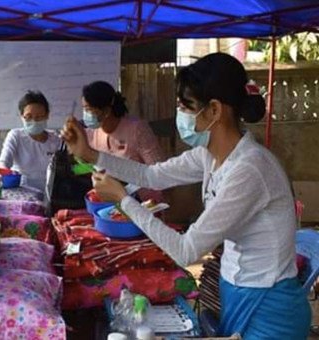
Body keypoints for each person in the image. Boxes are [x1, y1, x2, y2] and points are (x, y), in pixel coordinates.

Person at [62, 53, 311, 339]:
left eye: (186, 106)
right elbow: (151, 175)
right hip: (239, 290)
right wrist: (90, 153)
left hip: (269, 307)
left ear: (214, 110)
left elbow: (186, 250)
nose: (180, 114)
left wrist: (123, 200)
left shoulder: (250, 169)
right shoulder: (210, 156)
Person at [81, 81, 165, 202]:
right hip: (110, 203)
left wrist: (127, 189)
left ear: (106, 111)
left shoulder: (137, 129)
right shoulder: (92, 134)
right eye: (84, 109)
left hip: (145, 202)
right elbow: (86, 166)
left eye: (89, 109)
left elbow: (159, 170)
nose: (86, 115)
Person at [0, 90, 61, 191]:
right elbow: (4, 161)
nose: (34, 121)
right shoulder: (16, 136)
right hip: (22, 191)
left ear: (47, 115)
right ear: (22, 116)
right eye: (29, 117)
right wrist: (4, 171)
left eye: (39, 117)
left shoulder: (56, 139)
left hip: (51, 192)